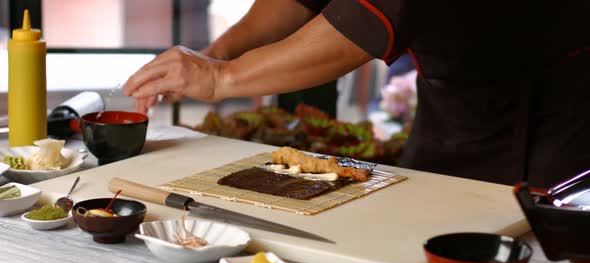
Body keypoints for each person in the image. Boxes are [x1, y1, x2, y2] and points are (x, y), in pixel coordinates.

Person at [123, 0, 590, 189]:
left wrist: (221, 79)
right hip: (452, 117)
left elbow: (362, 23)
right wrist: (217, 53)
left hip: (554, 124)